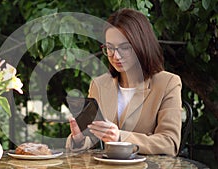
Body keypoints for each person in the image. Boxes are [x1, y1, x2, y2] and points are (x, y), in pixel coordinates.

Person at [66, 8, 182, 156]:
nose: (116, 56)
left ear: (142, 44)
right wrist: (80, 139)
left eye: (125, 47)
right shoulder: (99, 85)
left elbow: (169, 143)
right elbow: (95, 138)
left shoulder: (168, 83)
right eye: (109, 48)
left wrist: (121, 137)